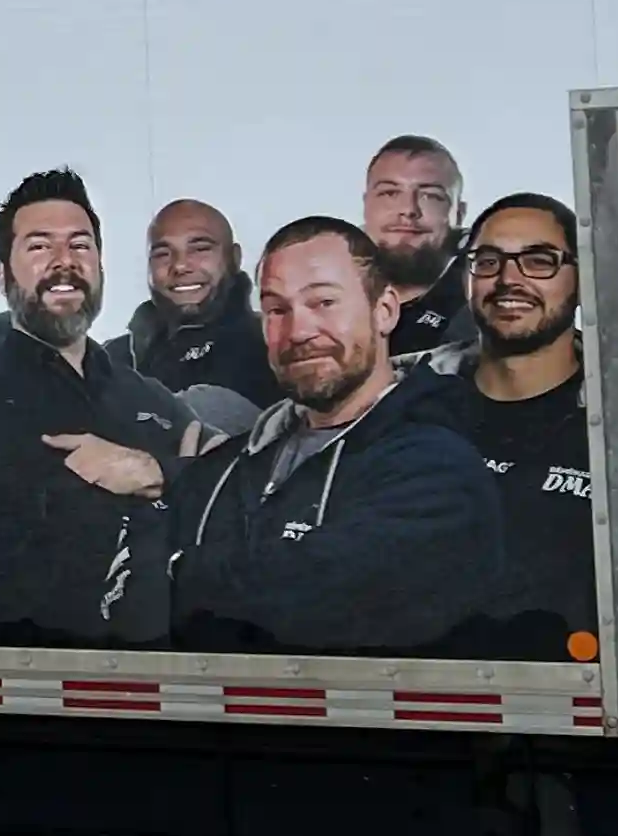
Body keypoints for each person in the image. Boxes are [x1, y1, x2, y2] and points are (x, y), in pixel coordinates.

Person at [171, 216, 504, 655]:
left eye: (324, 302)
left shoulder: (439, 467)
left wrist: (175, 574)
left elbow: (327, 599)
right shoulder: (224, 467)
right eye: (276, 309)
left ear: (384, 310)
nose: (299, 331)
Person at [0, 172, 197, 644]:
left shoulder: (149, 399)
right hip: (40, 689)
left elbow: (222, 503)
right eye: (39, 247)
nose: (64, 262)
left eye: (80, 245)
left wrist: (155, 472)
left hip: (161, 685)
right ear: (4, 274)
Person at [451, 190, 596, 660]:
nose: (508, 280)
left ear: (582, 278)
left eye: (539, 261)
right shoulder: (403, 399)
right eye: (488, 261)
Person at [128, 197, 267, 434]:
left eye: (200, 249)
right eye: (163, 254)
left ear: (234, 258)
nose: (180, 266)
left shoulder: (271, 343)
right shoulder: (116, 356)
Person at [362, 135, 475, 357]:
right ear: (366, 205)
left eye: (430, 196)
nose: (408, 210)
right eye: (390, 193)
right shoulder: (325, 288)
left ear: (459, 214)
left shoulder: (486, 303)